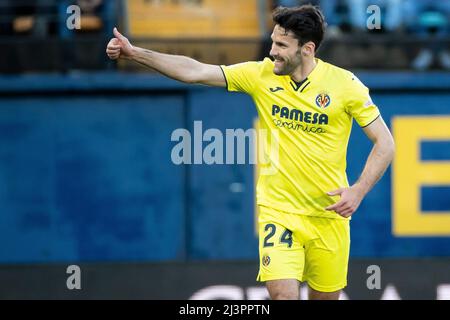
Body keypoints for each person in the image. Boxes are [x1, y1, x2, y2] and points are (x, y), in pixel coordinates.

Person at [106, 5, 395, 300]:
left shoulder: (345, 86)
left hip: (328, 215)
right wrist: (135, 53)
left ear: (307, 49)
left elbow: (385, 143)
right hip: (278, 211)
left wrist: (358, 191)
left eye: (282, 45)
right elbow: (195, 71)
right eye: (273, 42)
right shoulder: (261, 75)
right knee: (282, 295)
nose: (272, 52)